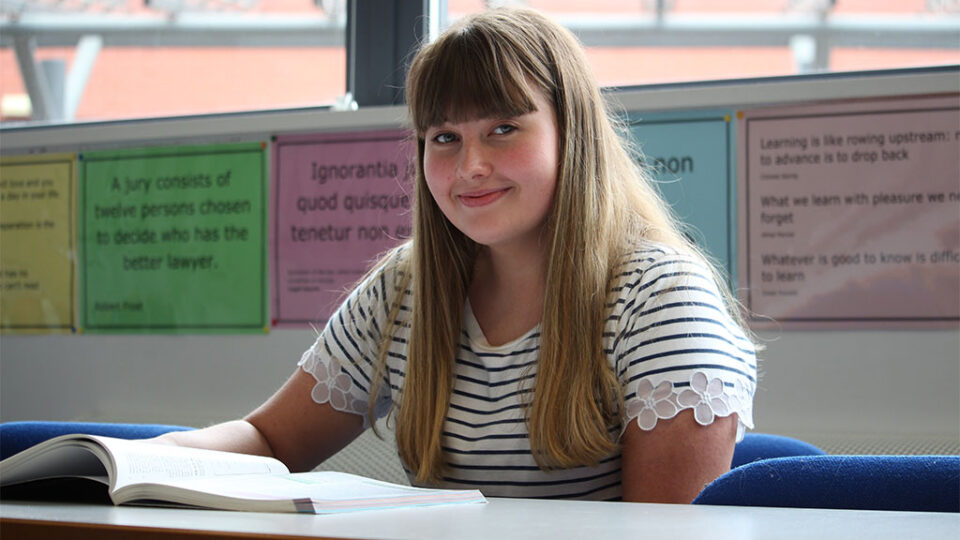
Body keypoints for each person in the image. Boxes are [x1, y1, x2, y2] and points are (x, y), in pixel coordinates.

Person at [156, 7, 758, 503]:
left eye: (503, 129)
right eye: (444, 137)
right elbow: (268, 439)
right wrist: (133, 461)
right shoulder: (405, 288)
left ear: (571, 135)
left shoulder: (661, 299)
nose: (470, 166)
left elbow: (663, 536)